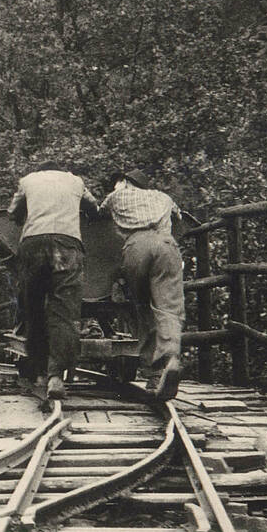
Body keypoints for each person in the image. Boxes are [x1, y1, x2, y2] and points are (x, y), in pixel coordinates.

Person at [8, 161, 99, 404]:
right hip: (67, 245)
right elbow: (94, 209)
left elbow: (12, 213)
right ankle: (56, 377)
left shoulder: (28, 180)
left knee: (33, 310)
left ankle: (38, 371)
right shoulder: (75, 181)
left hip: (33, 245)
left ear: (40, 170)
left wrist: (27, 217)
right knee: (64, 313)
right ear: (63, 170)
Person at [99, 168, 185, 399]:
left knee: (142, 307)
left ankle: (154, 374)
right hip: (166, 245)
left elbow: (97, 219)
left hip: (137, 246)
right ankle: (170, 359)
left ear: (124, 182)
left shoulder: (116, 197)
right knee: (168, 308)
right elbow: (179, 218)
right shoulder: (163, 197)